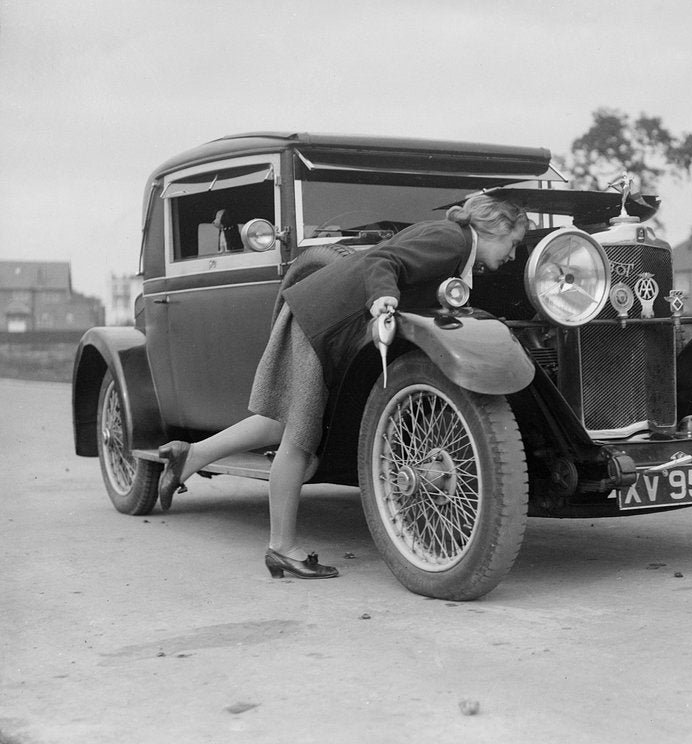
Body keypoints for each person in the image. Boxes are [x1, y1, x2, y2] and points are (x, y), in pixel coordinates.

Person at [156, 195, 529, 580]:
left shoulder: (455, 243)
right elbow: (382, 260)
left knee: (278, 424)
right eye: (513, 243)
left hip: (316, 315)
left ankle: (191, 455)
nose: (513, 254)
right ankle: (281, 548)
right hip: (321, 321)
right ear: (495, 229)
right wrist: (383, 295)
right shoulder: (451, 240)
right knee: (299, 439)